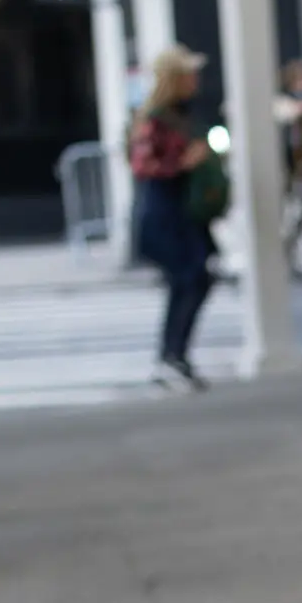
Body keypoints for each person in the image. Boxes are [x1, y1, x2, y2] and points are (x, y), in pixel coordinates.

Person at [129, 44, 216, 392]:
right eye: (189, 74)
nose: (195, 80)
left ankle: (174, 356)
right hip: (165, 213)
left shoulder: (182, 114)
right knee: (188, 279)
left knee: (194, 280)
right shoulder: (155, 119)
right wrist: (183, 163)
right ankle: (171, 357)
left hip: (184, 212)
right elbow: (143, 166)